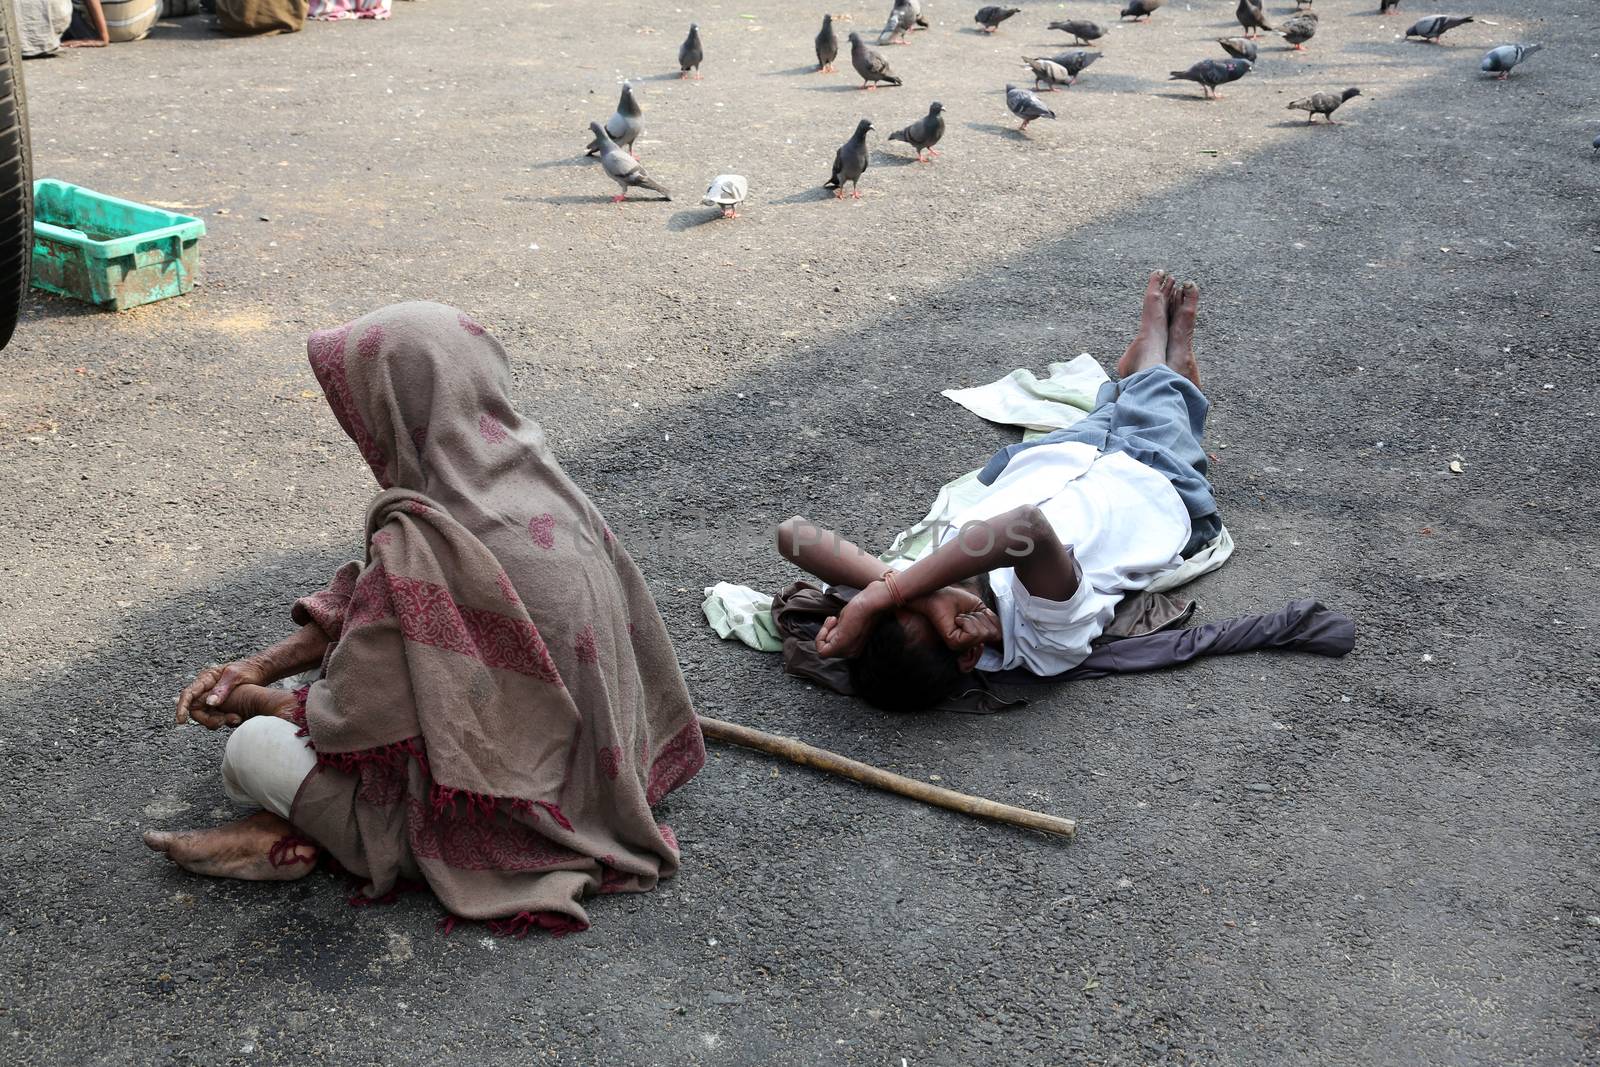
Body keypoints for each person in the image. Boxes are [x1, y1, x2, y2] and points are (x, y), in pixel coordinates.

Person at [144, 302, 706, 936]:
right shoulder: (543, 489)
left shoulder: (420, 541)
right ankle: (290, 827)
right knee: (304, 696)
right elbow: (381, 611)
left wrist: (243, 699)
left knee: (251, 755)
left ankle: (317, 836)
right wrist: (260, 665)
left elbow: (347, 717)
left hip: (514, 806)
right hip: (598, 770)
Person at [777, 271, 1222, 712]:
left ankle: (1151, 376)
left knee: (1120, 407)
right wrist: (889, 594)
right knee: (1156, 398)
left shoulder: (902, 602)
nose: (917, 585)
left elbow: (792, 534)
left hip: (1059, 458)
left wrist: (897, 593)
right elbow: (1023, 528)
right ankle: (1166, 361)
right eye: (919, 601)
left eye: (909, 595)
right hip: (1154, 484)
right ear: (969, 650)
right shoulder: (1045, 637)